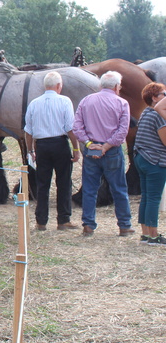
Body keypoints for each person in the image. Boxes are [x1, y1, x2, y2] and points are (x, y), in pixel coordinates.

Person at [72, 71, 134, 236]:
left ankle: (88, 224)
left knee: (90, 189)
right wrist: (106, 146)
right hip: (112, 151)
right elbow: (122, 131)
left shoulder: (86, 101)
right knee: (119, 188)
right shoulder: (122, 103)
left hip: (91, 150)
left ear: (100, 85)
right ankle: (124, 225)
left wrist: (89, 143)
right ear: (116, 86)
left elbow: (77, 126)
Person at [24, 71, 81, 231]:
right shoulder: (65, 101)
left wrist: (30, 151)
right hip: (60, 144)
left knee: (43, 184)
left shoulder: (34, 103)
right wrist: (76, 149)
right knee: (64, 182)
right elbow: (70, 128)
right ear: (58, 86)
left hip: (41, 146)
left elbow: (28, 131)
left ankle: (41, 221)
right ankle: (63, 220)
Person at [132, 82, 166, 245]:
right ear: (154, 98)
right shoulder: (159, 116)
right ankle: (154, 235)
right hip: (155, 161)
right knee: (154, 198)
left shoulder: (146, 112)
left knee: (146, 197)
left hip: (141, 158)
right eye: (163, 94)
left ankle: (145, 234)